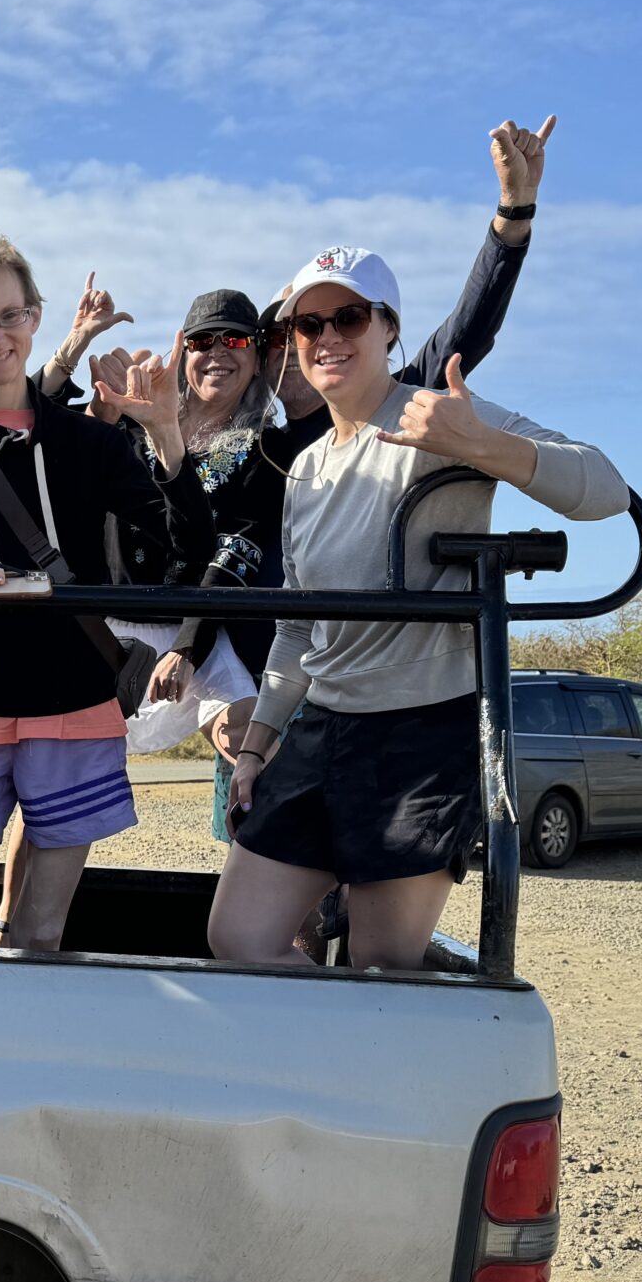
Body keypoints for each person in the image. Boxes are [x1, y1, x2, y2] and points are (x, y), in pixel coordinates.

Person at [207, 246, 626, 971]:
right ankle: (318, 1064)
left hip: (422, 732)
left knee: (381, 967)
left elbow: (608, 491)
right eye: (309, 324)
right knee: (239, 940)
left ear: (387, 329)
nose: (328, 337)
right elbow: (298, 625)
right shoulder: (306, 466)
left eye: (349, 317)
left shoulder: (435, 418)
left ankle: (358, 1072)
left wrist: (486, 445)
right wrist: (256, 745)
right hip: (324, 729)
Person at [148, 117, 558, 841]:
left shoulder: (394, 406)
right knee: (256, 867)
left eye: (338, 320)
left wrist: (510, 223)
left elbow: (467, 329)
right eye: (294, 328)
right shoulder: (258, 450)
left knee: (340, 886)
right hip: (264, 685)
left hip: (356, 686)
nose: (315, 339)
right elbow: (207, 539)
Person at [0, 237, 207, 950]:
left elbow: (186, 556)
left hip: (74, 709)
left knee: (37, 935)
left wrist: (168, 438)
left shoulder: (91, 443)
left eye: (10, 316)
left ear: (34, 318)